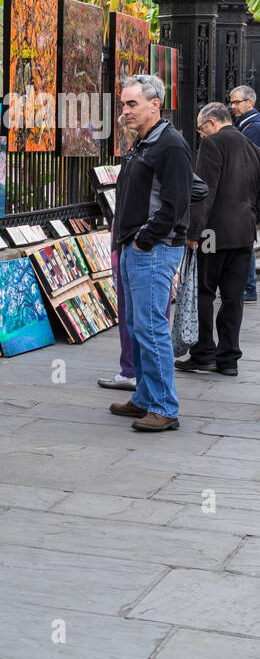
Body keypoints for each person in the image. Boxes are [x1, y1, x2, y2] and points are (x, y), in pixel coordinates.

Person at [109, 74, 193, 433]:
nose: (125, 110)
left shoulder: (169, 144)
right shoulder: (143, 141)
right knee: (136, 325)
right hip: (135, 246)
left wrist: (146, 238)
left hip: (153, 250)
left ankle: (163, 406)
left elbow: (178, 201)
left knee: (152, 327)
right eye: (124, 104)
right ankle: (145, 397)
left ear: (154, 104)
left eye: (132, 104)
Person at [176, 102, 260, 376]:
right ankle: (229, 359)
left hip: (213, 234)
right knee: (233, 297)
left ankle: (203, 353)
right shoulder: (251, 146)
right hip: (243, 233)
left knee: (204, 292)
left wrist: (193, 232)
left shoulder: (213, 145)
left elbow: (204, 192)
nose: (201, 135)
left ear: (212, 123)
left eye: (201, 129)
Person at [98, 117, 143, 392]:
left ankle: (133, 372)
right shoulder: (138, 153)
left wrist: (146, 236)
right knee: (137, 315)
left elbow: (191, 190)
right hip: (131, 241)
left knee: (136, 315)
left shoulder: (147, 153)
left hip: (137, 244)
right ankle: (136, 373)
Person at [227, 85, 260, 301]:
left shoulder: (253, 127)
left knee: (243, 239)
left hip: (246, 194)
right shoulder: (244, 125)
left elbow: (249, 161)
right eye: (231, 102)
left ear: (250, 103)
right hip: (245, 195)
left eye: (237, 102)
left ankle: (248, 288)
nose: (233, 106)